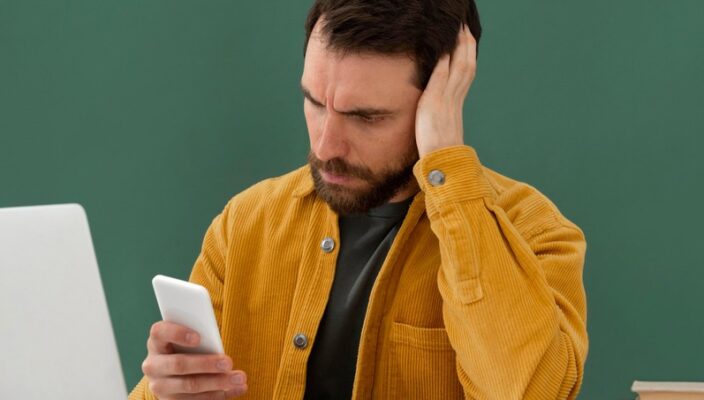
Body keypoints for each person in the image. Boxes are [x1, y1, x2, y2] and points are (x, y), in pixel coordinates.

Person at [129, 0, 587, 398]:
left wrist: (448, 164)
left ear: (442, 100)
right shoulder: (245, 224)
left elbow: (527, 392)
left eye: (365, 117)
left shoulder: (534, 234)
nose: (326, 146)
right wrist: (167, 391)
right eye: (313, 102)